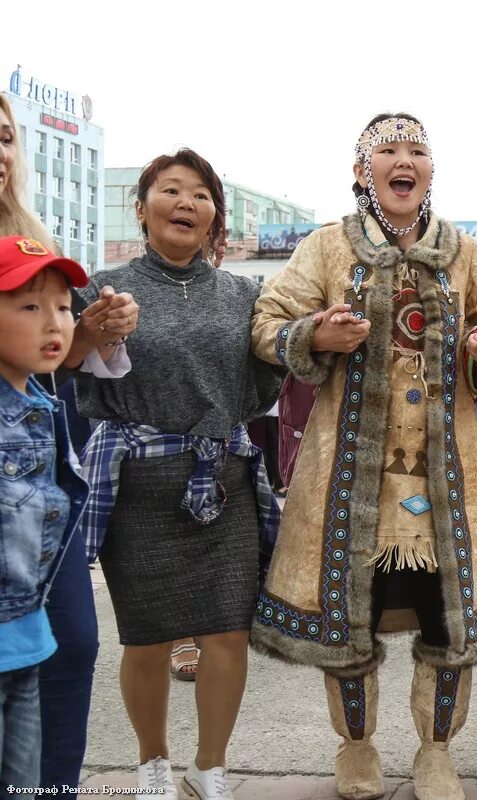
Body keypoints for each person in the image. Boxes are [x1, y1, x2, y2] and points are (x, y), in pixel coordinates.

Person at [250, 113, 477, 800]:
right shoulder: (324, 248)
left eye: (418, 151)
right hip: (350, 480)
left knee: (447, 621)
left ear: (430, 172)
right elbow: (266, 325)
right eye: (388, 150)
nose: (404, 160)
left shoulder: (465, 253)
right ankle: (356, 749)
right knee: (353, 618)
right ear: (361, 172)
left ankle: (436, 752)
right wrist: (316, 334)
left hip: (445, 477)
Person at [75, 148, 284, 800]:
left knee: (227, 632)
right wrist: (90, 332)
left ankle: (211, 767)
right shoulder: (101, 287)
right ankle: (153, 764)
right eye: (171, 190)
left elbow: (263, 388)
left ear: (215, 215)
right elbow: (66, 364)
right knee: (146, 637)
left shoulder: (243, 293)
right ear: (141, 208)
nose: (187, 203)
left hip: (220, 479)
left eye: (200, 194)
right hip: (136, 484)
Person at [2, 94, 136, 793]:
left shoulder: (32, 237)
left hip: (43, 485)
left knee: (70, 649)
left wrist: (93, 332)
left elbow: (53, 373)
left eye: (4, 138)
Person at [0, 236, 90, 797]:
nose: (54, 322)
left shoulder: (43, 404)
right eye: (29, 306)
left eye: (63, 306)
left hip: (27, 645)